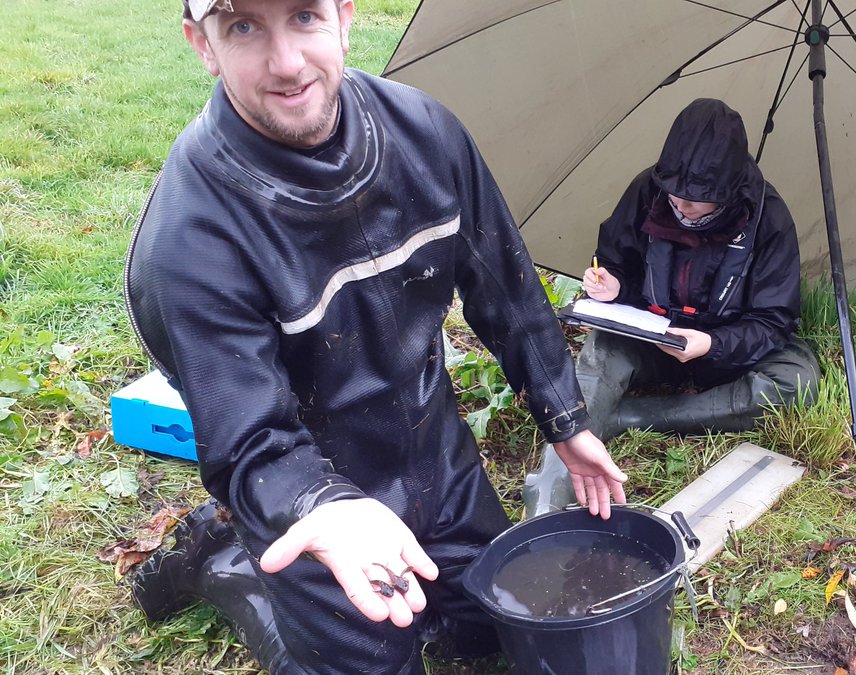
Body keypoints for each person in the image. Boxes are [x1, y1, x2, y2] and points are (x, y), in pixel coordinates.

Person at [123, 0, 627, 672]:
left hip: (435, 453)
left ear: (345, 16)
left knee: (504, 630)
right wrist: (319, 506)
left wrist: (565, 417)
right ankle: (230, 566)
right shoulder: (188, 239)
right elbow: (248, 438)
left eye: (304, 15)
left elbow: (503, 284)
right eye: (243, 26)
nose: (287, 62)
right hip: (311, 490)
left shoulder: (426, 134)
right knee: (377, 656)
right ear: (202, 45)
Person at [575, 98, 820, 441]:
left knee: (797, 381)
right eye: (674, 192)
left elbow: (772, 321)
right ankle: (566, 453)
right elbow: (615, 260)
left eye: (696, 196)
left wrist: (710, 343)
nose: (681, 204)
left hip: (726, 351)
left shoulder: (770, 216)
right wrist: (612, 284)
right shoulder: (649, 190)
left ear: (728, 191)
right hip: (652, 338)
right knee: (600, 350)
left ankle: (636, 417)